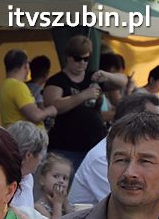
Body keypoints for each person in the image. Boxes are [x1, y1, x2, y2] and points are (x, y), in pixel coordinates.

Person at [43, 35, 127, 172]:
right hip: (66, 149)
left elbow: (123, 80)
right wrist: (83, 96)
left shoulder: (93, 77)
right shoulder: (57, 80)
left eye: (86, 59)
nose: (82, 63)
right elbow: (54, 105)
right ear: (68, 57)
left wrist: (107, 75)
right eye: (78, 59)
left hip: (95, 147)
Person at [71, 92, 159, 205]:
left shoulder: (133, 150)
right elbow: (135, 203)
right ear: (134, 121)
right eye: (154, 119)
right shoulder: (102, 157)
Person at [0, 49, 57, 128]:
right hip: (26, 138)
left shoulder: (4, 86)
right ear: (26, 66)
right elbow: (36, 116)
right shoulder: (18, 86)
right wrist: (50, 110)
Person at [35, 153, 74, 219]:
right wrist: (58, 204)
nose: (61, 181)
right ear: (42, 180)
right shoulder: (39, 207)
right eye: (56, 176)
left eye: (65, 178)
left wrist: (65, 203)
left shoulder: (64, 205)